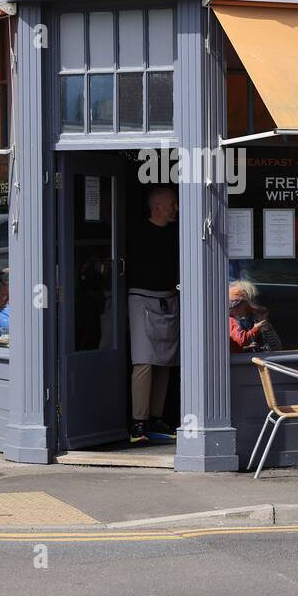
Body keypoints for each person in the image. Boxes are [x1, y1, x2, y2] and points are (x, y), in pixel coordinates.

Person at [126, 185, 180, 442]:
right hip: (142, 299)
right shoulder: (136, 233)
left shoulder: (176, 233)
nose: (177, 209)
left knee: (165, 362)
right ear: (158, 206)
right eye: (173, 204)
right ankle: (139, 422)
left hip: (169, 299)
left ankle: (156, 418)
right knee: (144, 361)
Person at [228, 280, 281, 353]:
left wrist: (267, 329)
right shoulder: (231, 322)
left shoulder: (256, 320)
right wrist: (245, 348)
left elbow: (276, 348)